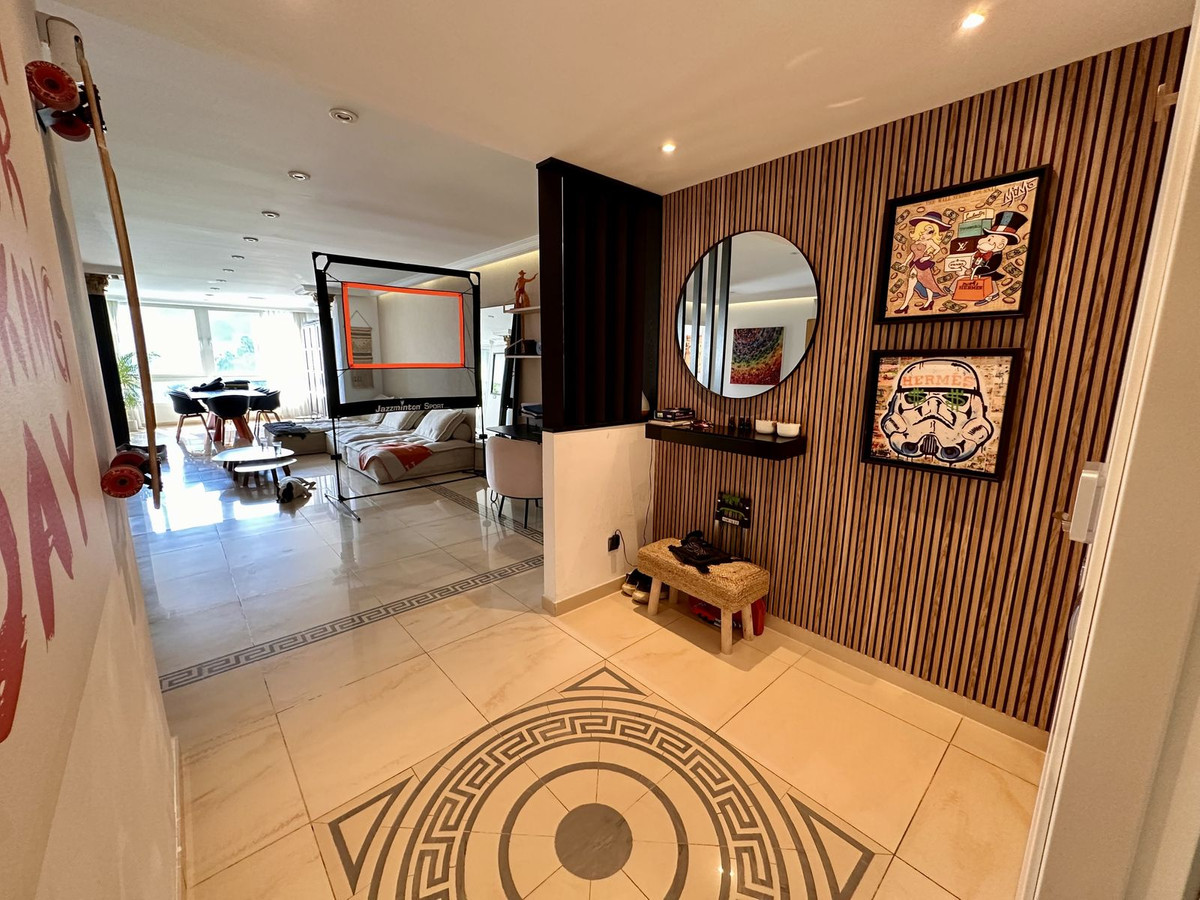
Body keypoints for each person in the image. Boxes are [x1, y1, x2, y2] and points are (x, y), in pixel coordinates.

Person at [895, 212, 950, 314]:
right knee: (912, 286)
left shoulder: (930, 242)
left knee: (927, 284)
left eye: (930, 232)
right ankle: (905, 305)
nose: (924, 234)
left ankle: (928, 301)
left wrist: (928, 256)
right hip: (914, 265)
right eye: (923, 231)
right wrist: (905, 263)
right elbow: (912, 254)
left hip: (923, 266)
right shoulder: (916, 242)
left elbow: (937, 248)